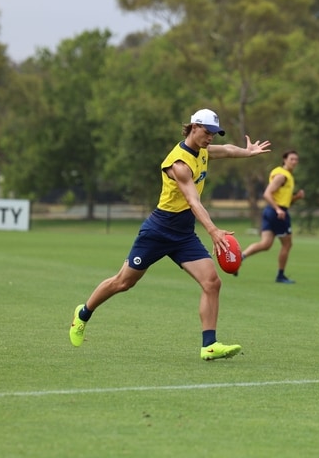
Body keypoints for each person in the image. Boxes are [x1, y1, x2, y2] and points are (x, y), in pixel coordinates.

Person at [69, 108, 271, 360]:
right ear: (194, 127)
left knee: (212, 282)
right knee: (124, 282)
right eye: (207, 132)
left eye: (214, 134)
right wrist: (213, 230)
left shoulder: (204, 152)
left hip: (184, 233)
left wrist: (248, 152)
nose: (211, 138)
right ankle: (83, 314)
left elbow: (228, 149)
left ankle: (209, 344)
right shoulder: (179, 164)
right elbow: (193, 201)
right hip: (159, 230)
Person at [240, 150, 305, 283]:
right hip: (278, 213)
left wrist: (296, 198)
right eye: (292, 159)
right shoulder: (282, 176)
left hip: (271, 211)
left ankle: (240, 258)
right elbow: (267, 194)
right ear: (284, 159)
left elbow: (284, 200)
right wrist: (278, 210)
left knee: (265, 244)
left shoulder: (288, 176)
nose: (294, 162)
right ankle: (280, 275)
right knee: (287, 244)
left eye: (296, 160)